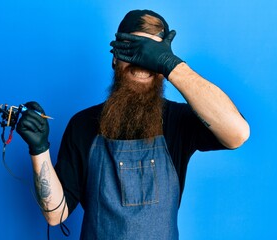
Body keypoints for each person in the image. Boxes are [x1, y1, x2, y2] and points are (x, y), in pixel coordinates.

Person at [16, 9, 250, 239]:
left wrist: (171, 64)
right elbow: (55, 215)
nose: (142, 62)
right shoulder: (82, 125)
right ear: (115, 58)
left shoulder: (178, 122)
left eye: (151, 54)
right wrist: (39, 150)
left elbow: (237, 133)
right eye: (133, 50)